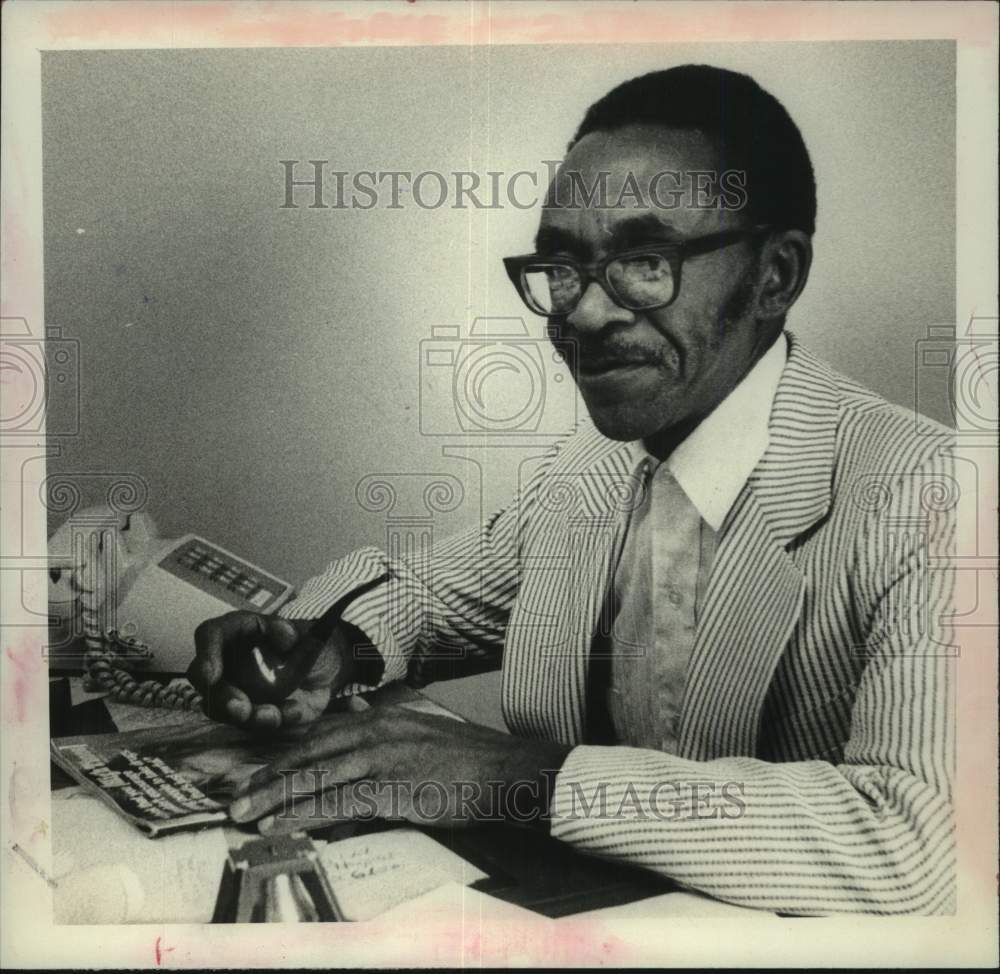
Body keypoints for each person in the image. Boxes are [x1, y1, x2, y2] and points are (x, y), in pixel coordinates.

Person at [188, 65, 955, 915]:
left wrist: (521, 779)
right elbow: (431, 598)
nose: (584, 315)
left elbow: (915, 845)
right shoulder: (592, 466)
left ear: (776, 275)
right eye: (563, 266)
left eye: (645, 262)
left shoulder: (932, 496)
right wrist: (336, 650)